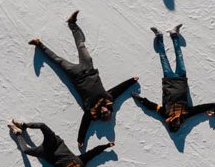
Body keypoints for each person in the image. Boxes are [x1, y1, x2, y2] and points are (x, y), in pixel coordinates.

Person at [30, 12, 139, 140]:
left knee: (58, 61)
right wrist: (132, 81)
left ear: (100, 114)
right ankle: (72, 23)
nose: (104, 111)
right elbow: (119, 89)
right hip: (89, 68)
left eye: (103, 114)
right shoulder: (109, 98)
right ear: (109, 110)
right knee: (81, 46)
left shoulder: (90, 111)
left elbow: (85, 124)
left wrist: (81, 139)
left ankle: (39, 44)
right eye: (107, 112)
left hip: (76, 76)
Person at [132, 25, 215, 134]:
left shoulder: (165, 113)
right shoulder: (185, 114)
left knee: (163, 56)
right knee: (179, 55)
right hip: (181, 79)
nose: (176, 122)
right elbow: (200, 109)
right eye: (177, 124)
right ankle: (174, 34)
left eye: (173, 123)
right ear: (179, 124)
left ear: (170, 123)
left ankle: (159, 36)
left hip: (168, 81)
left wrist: (139, 99)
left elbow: (152, 106)